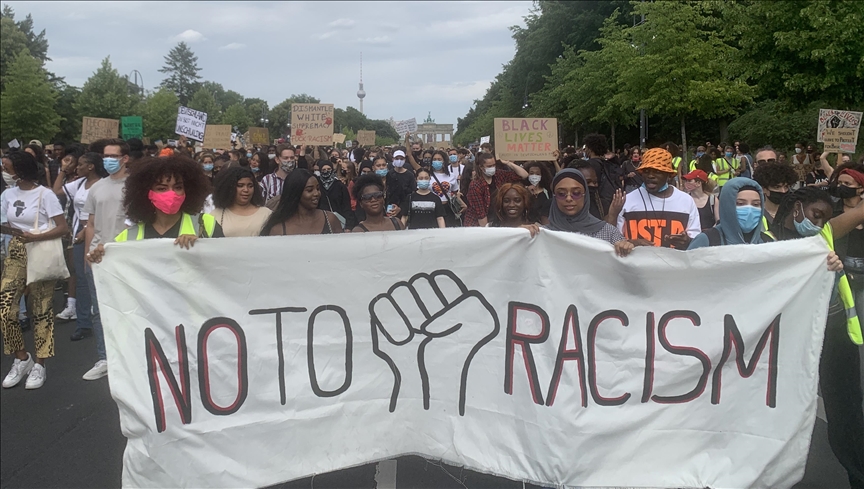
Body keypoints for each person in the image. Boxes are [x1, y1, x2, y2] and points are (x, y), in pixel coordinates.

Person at [770, 188, 864, 488]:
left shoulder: (824, 234)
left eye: (826, 218)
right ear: (796, 209)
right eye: (816, 215)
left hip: (833, 334)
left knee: (846, 414)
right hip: (787, 341)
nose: (820, 223)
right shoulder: (766, 241)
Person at [1, 151, 70, 389]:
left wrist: (35, 236)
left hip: (40, 251)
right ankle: (22, 358)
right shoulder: (8, 194)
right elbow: (9, 224)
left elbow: (63, 228)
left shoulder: (46, 195)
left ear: (20, 171)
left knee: (41, 309)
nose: (5, 173)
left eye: (7, 169)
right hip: (17, 251)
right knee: (5, 308)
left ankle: (40, 363)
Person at [87, 155, 222, 265]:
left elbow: (226, 265)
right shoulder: (128, 237)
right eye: (162, 189)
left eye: (178, 187)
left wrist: (203, 247)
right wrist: (100, 259)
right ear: (147, 193)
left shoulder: (205, 225)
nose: (172, 193)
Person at [81, 138, 135, 381]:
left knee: (128, 307)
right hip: (98, 257)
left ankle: (129, 355)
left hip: (125, 258)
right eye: (105, 156)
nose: (108, 161)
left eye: (113, 156)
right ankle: (105, 358)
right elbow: (90, 223)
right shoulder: (97, 188)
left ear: (125, 158)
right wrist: (87, 253)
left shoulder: (134, 186)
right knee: (98, 309)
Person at [55, 153, 107, 340]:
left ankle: (104, 320)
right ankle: (84, 323)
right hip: (78, 235)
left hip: (98, 234)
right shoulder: (78, 184)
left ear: (91, 166)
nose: (77, 168)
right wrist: (63, 169)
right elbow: (56, 191)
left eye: (81, 164)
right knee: (82, 277)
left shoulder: (103, 185)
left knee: (97, 278)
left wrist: (86, 231)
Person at [616, 148, 701, 249]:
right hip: (636, 264)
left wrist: (687, 241)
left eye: (657, 171)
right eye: (646, 171)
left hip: (675, 264)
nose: (650, 176)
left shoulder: (686, 201)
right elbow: (615, 241)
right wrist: (631, 243)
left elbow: (696, 241)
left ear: (669, 176)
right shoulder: (627, 200)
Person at [546, 169, 634, 256]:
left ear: (585, 195)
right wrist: (532, 237)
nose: (569, 198)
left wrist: (626, 248)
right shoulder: (543, 235)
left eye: (576, 193)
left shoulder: (609, 233)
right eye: (561, 194)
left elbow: (628, 265)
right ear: (554, 196)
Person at [687, 178, 773, 248]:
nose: (749, 210)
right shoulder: (707, 240)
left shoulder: (768, 243)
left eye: (756, 204)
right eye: (740, 203)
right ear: (727, 205)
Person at [261, 169, 343, 236]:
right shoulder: (278, 229)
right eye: (309, 190)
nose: (316, 193)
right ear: (296, 193)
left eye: (318, 189)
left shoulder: (330, 220)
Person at [463, 152, 529, 227]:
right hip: (476, 224)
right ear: (481, 167)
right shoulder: (475, 185)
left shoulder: (499, 175)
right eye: (489, 166)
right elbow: (480, 214)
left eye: (494, 165)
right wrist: (487, 232)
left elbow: (524, 175)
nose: (492, 168)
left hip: (495, 219)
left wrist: (508, 163)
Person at [209, 167, 272, 237]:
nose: (246, 190)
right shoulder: (215, 215)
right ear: (229, 188)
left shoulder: (266, 214)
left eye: (250, 186)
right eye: (240, 186)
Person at [752, 162, 797, 226]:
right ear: (763, 189)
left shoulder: (796, 212)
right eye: (777, 187)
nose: (783, 191)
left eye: (786, 187)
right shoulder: (756, 214)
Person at [316, 159, 354, 229]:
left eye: (329, 169)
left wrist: (349, 226)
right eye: (323, 170)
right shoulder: (316, 186)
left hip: (339, 222)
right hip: (320, 223)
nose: (326, 171)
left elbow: (347, 207)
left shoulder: (340, 186)